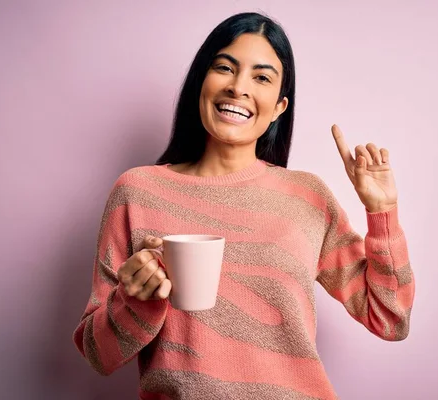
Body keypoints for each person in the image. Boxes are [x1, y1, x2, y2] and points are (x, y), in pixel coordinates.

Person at [73, 11, 415, 400]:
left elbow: (390, 318)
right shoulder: (137, 192)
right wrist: (132, 300)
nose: (238, 88)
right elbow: (98, 355)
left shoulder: (307, 197)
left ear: (279, 107)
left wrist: (382, 213)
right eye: (224, 68)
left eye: (262, 77)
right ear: (201, 81)